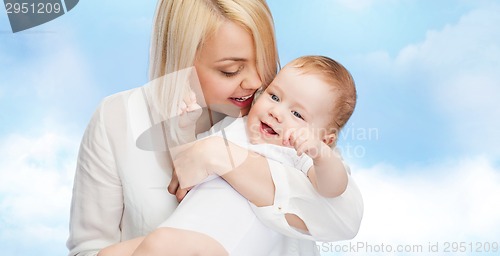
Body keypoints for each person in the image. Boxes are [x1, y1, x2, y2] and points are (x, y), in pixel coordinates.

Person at [66, 0, 363, 255]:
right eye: (230, 70)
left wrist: (218, 156)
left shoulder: (297, 134)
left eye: (264, 62)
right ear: (181, 58)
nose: (257, 82)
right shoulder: (117, 117)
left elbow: (342, 216)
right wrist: (184, 132)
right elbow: (185, 165)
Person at [119, 55, 358, 256]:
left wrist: (322, 156)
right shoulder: (233, 128)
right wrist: (183, 128)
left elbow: (332, 189)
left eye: (298, 114)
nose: (277, 112)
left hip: (224, 242)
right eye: (274, 97)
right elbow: (186, 168)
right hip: (184, 226)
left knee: (161, 243)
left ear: (325, 138)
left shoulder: (297, 153)